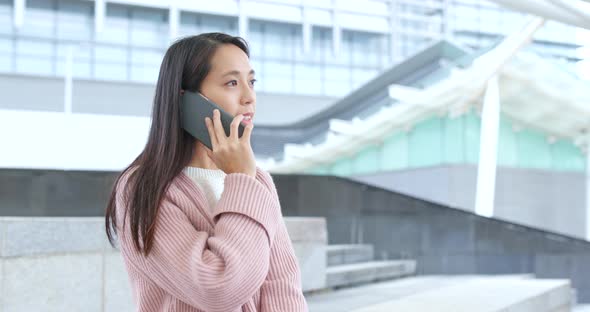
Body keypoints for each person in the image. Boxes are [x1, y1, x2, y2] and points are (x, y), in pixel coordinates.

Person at [104, 32, 308, 312]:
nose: (249, 97)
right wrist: (241, 180)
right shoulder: (144, 187)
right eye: (232, 83)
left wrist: (243, 177)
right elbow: (217, 290)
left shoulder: (257, 179)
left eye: (252, 81)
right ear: (187, 100)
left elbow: (282, 287)